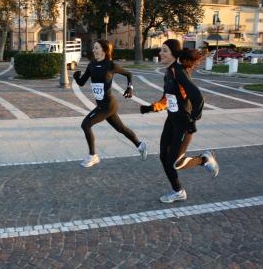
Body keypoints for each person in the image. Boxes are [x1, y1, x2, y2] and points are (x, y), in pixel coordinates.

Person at [140, 39, 219, 204]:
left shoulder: (178, 71)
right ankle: (178, 191)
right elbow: (166, 99)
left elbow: (198, 97)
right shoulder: (169, 73)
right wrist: (151, 108)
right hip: (171, 121)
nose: (160, 53)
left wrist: (193, 119)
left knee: (175, 162)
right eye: (161, 50)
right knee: (163, 157)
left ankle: (204, 159)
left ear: (174, 54)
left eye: (165, 51)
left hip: (183, 124)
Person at [73, 39, 147, 168]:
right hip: (102, 105)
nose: (93, 50)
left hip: (108, 104)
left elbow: (128, 74)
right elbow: (81, 82)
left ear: (104, 50)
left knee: (86, 125)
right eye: (93, 48)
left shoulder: (110, 65)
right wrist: (76, 77)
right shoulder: (91, 65)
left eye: (96, 48)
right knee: (121, 129)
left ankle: (93, 156)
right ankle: (140, 145)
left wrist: (130, 88)